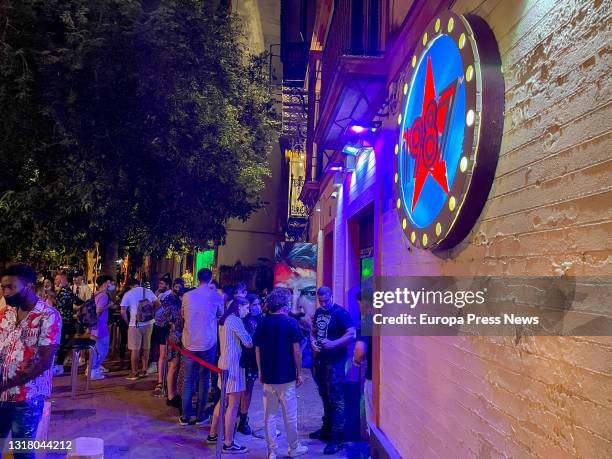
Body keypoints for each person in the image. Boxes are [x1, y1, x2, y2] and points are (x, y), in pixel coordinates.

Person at [0, 264, 62, 459]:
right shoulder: (5, 314)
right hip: (1, 394)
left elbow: (43, 362)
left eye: (11, 287)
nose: (5, 292)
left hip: (28, 396)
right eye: (2, 287)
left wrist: (8, 384)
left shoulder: (48, 315)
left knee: (22, 451)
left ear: (28, 286)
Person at [254, 288, 308, 459]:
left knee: (269, 415)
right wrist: (299, 372)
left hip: (268, 376)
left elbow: (258, 349)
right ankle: (293, 448)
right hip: (287, 376)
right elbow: (297, 351)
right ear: (284, 304)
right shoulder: (291, 323)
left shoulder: (263, 322)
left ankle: (272, 451)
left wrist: (260, 370)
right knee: (290, 415)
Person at [310, 286, 356, 455]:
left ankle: (337, 438)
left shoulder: (341, 313)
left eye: (326, 300)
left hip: (335, 362)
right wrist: (313, 341)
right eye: (320, 301)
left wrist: (334, 344)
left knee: (336, 398)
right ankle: (327, 429)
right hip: (321, 361)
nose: (323, 303)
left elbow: (351, 334)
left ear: (331, 296)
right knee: (325, 396)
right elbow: (313, 331)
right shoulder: (319, 312)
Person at [207, 297, 253, 454]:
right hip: (233, 365)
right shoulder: (235, 320)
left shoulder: (225, 319)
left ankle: (213, 434)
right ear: (238, 307)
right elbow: (248, 342)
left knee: (223, 401)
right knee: (233, 405)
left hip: (224, 363)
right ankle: (228, 442)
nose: (247, 311)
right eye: (246, 307)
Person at [180, 268, 224, 425]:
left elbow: (183, 315)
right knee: (204, 379)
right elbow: (220, 315)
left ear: (198, 279)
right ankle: (200, 416)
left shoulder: (187, 295)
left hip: (189, 342)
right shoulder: (216, 296)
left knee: (188, 379)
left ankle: (185, 416)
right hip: (208, 342)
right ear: (211, 279)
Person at [120, 278, 157, 380]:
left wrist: (128, 322)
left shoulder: (128, 294)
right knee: (146, 347)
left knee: (135, 349)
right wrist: (151, 312)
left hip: (135, 324)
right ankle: (144, 370)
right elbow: (158, 304)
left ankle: (134, 372)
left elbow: (122, 311)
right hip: (149, 323)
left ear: (130, 285)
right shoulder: (148, 291)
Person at [236, 293, 262, 435]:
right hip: (244, 359)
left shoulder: (259, 319)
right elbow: (250, 342)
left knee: (248, 390)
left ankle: (243, 418)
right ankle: (242, 420)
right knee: (244, 391)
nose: (257, 307)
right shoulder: (245, 321)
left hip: (251, 361)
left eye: (258, 304)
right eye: (254, 305)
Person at [52, 271, 83, 376]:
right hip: (64, 321)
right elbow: (79, 301)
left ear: (63, 280)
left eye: (57, 279)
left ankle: (59, 365)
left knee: (61, 344)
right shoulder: (65, 291)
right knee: (61, 343)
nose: (55, 281)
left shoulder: (65, 291)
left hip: (64, 322)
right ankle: (58, 364)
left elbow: (65, 304)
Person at [353, 291, 374, 435]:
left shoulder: (367, 321)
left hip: (372, 377)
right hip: (390, 380)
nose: (359, 307)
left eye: (359, 303)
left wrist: (355, 359)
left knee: (371, 419)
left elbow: (360, 351)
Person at [164, 279, 186, 410]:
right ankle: (171, 395)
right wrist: (171, 324)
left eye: (180, 287)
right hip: (174, 337)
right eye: (176, 287)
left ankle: (174, 393)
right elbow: (160, 317)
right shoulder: (171, 302)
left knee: (178, 367)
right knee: (173, 366)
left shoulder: (182, 303)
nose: (178, 289)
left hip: (182, 338)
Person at [89, 275, 115, 380]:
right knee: (103, 350)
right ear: (105, 283)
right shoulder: (103, 295)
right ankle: (94, 369)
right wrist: (109, 305)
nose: (111, 285)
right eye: (110, 282)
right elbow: (98, 310)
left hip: (94, 325)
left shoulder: (95, 294)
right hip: (100, 325)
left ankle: (91, 369)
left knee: (95, 349)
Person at [151, 275, 173, 396]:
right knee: (161, 354)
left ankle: (163, 381)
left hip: (165, 328)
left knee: (164, 355)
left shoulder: (169, 297)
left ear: (168, 286)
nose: (160, 286)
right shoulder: (159, 295)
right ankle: (160, 380)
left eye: (162, 284)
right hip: (159, 327)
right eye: (159, 284)